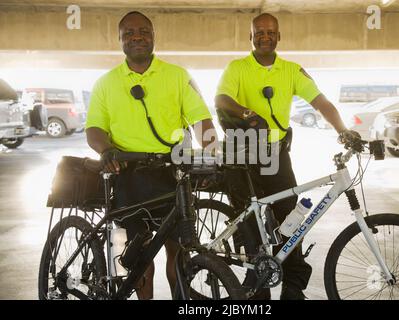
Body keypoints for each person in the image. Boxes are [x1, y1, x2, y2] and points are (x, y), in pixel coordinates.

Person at [215, 13, 357, 300]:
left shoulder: (291, 70)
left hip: (276, 155)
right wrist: (248, 113)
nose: (265, 36)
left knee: (291, 220)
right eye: (259, 32)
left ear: (278, 37)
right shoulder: (237, 68)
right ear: (250, 37)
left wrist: (343, 130)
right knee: (251, 226)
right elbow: (221, 99)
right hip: (244, 156)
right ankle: (258, 288)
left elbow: (321, 102)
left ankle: (293, 289)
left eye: (270, 32)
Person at [86, 11, 217, 300]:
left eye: (144, 31)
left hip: (173, 174)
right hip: (130, 177)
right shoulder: (106, 83)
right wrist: (106, 149)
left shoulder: (178, 75)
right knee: (141, 260)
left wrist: (210, 156)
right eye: (129, 33)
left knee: (178, 254)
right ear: (119, 39)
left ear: (154, 36)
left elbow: (201, 121)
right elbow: (94, 129)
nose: (137, 37)